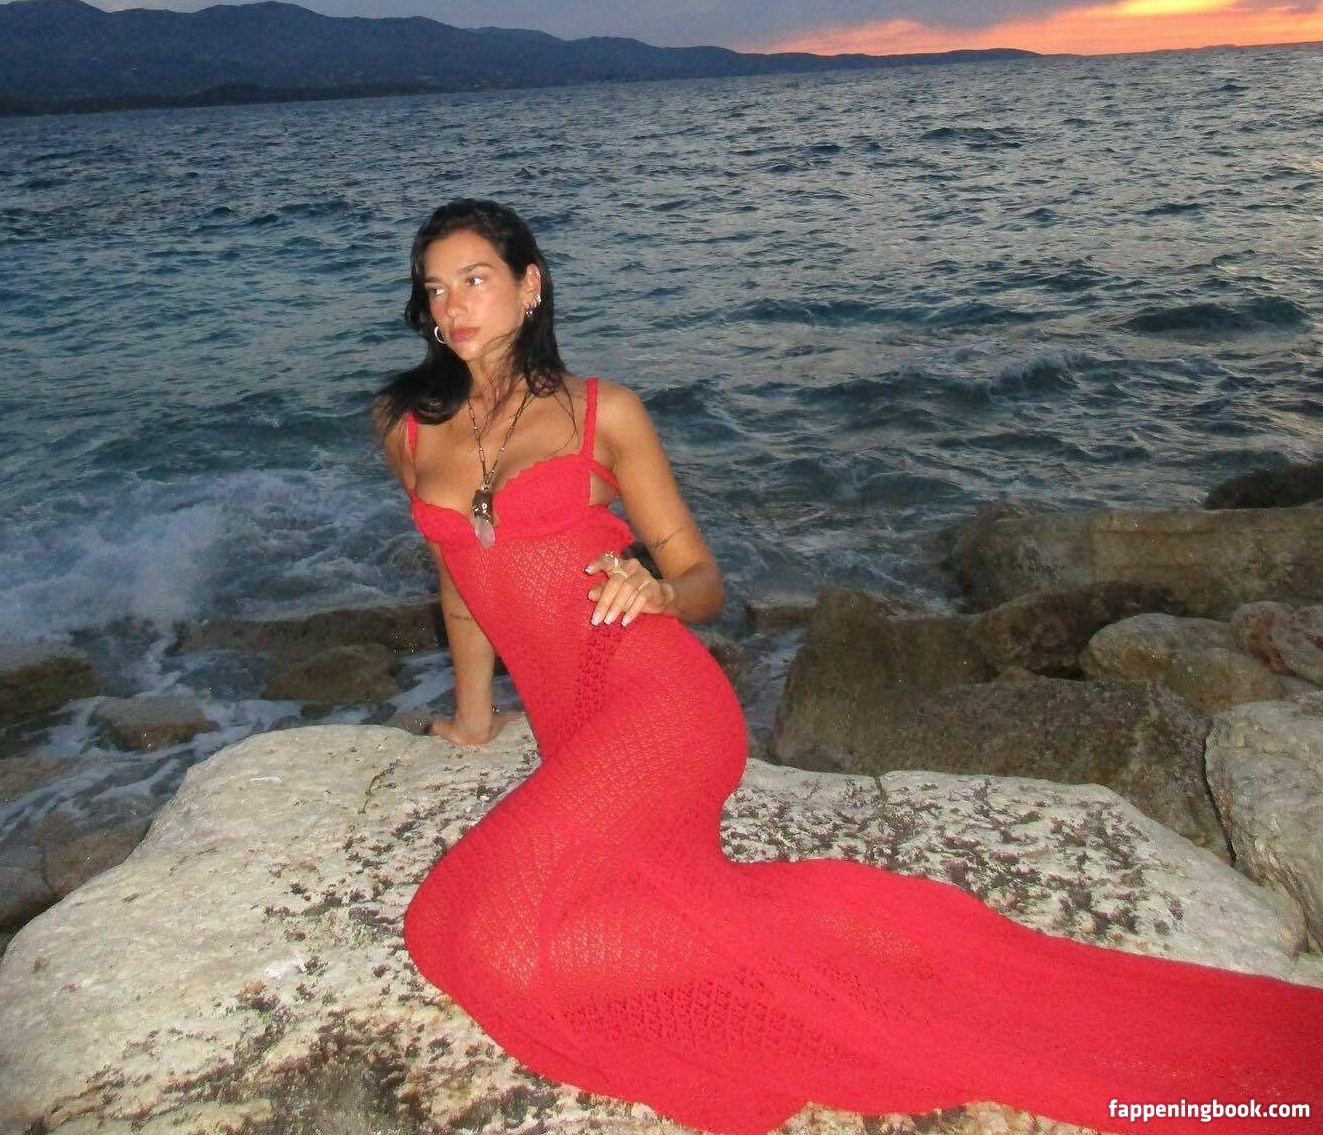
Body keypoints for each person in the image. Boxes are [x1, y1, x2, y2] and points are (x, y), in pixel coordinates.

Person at [371, 197, 1323, 1135]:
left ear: (531, 285)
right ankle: (799, 940)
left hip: (658, 706)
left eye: (476, 280)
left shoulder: (600, 412)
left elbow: (704, 580)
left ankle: (859, 936)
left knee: (481, 936)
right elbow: (462, 581)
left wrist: (658, 592)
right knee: (485, 932)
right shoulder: (406, 425)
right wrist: (474, 718)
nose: (454, 307)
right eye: (436, 289)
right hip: (573, 732)